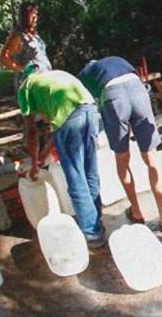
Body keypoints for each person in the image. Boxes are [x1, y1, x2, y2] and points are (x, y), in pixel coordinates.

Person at [77, 56, 162, 231]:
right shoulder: (117, 60)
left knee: (122, 158)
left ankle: (137, 213)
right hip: (137, 90)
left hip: (113, 96)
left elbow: (83, 101)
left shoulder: (86, 74)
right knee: (151, 158)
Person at [18, 68, 105, 246]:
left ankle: (91, 233)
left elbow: (32, 132)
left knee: (76, 178)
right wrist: (44, 154)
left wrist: (35, 164)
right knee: (90, 170)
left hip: (71, 118)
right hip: (90, 110)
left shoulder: (25, 88)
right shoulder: (53, 77)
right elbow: (59, 128)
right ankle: (96, 221)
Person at [0, 2, 52, 91]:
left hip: (43, 82)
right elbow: (4, 58)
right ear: (25, 16)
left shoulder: (34, 35)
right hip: (30, 84)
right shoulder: (19, 35)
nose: (36, 17)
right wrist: (23, 69)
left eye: (36, 14)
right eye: (33, 14)